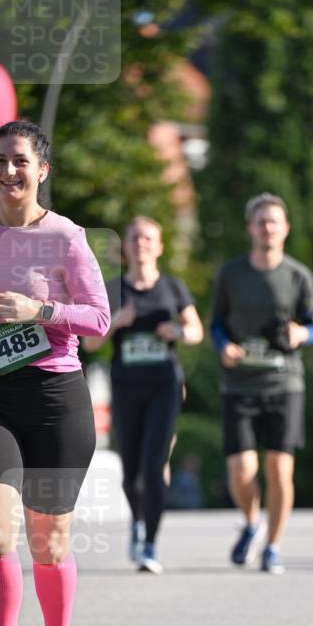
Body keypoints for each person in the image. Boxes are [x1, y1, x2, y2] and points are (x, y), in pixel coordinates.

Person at [0, 120, 110, 626]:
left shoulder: (66, 237)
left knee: (48, 541)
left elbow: (99, 319)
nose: (9, 171)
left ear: (42, 170)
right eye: (0, 161)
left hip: (56, 399)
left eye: (21, 161)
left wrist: (40, 309)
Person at [210, 193, 313, 574]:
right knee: (242, 471)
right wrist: (224, 346)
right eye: (261, 222)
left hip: (284, 384)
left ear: (285, 228)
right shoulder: (231, 273)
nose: (268, 228)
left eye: (274, 221)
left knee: (279, 470)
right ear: (250, 229)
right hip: (239, 385)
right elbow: (216, 323)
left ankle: (273, 546)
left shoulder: (299, 275)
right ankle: (251, 522)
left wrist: (303, 334)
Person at [83, 217, 203, 573]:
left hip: (164, 386)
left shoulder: (173, 287)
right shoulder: (112, 289)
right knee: (130, 470)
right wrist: (116, 322)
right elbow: (89, 342)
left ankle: (150, 543)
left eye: (148, 238)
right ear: (126, 247)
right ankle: (136, 523)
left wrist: (178, 331)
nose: (141, 244)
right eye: (135, 238)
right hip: (126, 387)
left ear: (160, 246)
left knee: (154, 464)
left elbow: (196, 330)